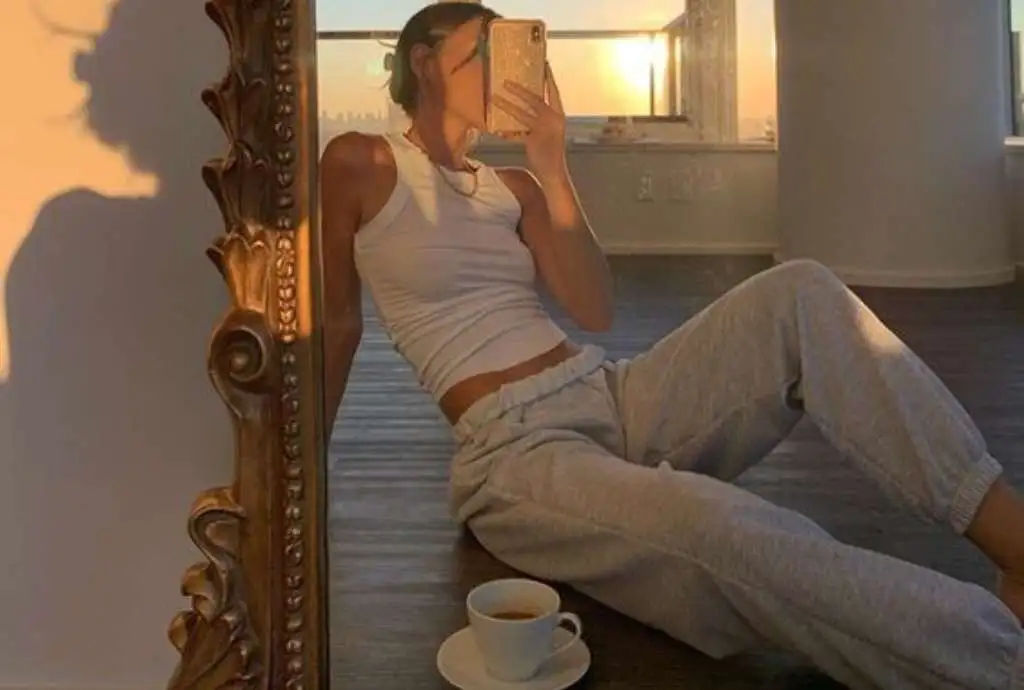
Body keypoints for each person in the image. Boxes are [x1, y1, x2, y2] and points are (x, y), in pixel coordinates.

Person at [320, 4, 1024, 688]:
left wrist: (553, 167)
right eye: (484, 50)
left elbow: (593, 309)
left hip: (611, 395)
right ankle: (1002, 659)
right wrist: (300, 477)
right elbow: (335, 324)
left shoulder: (516, 187)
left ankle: (1015, 544)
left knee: (801, 289)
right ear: (424, 62)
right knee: (724, 527)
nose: (506, 71)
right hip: (516, 450)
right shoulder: (361, 161)